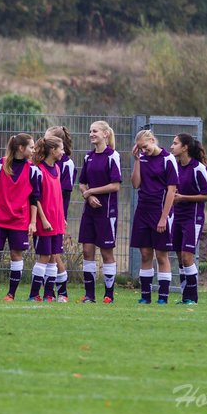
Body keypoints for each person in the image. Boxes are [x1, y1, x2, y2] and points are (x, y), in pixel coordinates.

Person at [0, 133, 40, 302]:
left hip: (20, 221)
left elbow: (34, 198)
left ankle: (11, 294)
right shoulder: (0, 164)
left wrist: (33, 222)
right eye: (31, 147)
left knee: (16, 255)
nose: (34, 150)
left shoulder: (33, 169)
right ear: (21, 148)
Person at [130, 129, 178, 304]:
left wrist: (164, 218)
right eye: (140, 148)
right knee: (145, 254)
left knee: (161, 255)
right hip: (143, 211)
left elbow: (172, 191)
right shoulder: (141, 158)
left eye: (145, 146)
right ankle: (145, 296)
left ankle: (163, 297)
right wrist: (136, 160)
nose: (144, 150)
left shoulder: (168, 159)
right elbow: (135, 184)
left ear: (152, 140)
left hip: (160, 212)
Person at [77, 121, 122, 303]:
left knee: (106, 253)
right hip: (89, 211)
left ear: (105, 133)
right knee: (87, 251)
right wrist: (88, 196)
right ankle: (90, 295)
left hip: (106, 212)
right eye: (90, 131)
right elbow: (82, 184)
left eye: (94, 131)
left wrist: (91, 192)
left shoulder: (113, 156)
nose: (91, 134)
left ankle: (108, 295)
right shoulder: (88, 157)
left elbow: (115, 185)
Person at [169, 133, 207, 305]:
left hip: (193, 218)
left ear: (185, 147)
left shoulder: (198, 168)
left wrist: (184, 198)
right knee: (180, 257)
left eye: (175, 143)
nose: (172, 146)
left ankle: (192, 298)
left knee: (188, 256)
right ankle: (184, 295)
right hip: (177, 217)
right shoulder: (175, 166)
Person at [29, 135, 67, 302]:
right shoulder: (38, 170)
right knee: (44, 257)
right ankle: (34, 294)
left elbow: (57, 196)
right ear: (53, 150)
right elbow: (35, 198)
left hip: (57, 221)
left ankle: (49, 295)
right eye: (61, 148)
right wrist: (43, 219)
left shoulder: (57, 169)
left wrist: (62, 217)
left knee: (53, 256)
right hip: (45, 222)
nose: (63, 151)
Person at [45, 126, 75, 301]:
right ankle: (49, 292)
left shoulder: (66, 164)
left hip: (57, 215)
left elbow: (65, 193)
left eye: (47, 138)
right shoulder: (44, 161)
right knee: (47, 254)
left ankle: (62, 292)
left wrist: (62, 216)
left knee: (54, 254)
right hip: (44, 213)